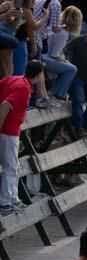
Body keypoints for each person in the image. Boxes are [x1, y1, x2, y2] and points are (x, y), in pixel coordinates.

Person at [0, 61, 38, 216]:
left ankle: (13, 199)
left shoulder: (15, 79)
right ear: (39, 75)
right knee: (10, 167)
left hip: (10, 131)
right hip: (8, 132)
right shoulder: (23, 87)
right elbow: (5, 105)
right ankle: (5, 202)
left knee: (14, 167)